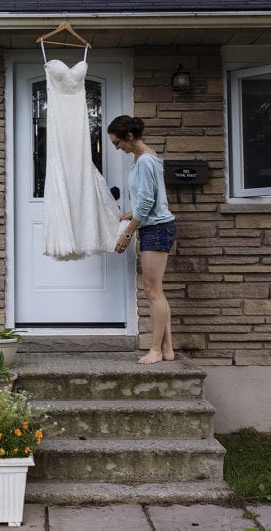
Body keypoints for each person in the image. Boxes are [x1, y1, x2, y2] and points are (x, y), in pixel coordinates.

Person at [107, 115, 177, 364]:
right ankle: (167, 349)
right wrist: (130, 214)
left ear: (129, 136)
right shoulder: (142, 158)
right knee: (156, 291)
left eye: (117, 143)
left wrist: (127, 233)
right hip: (153, 227)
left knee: (152, 291)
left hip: (157, 229)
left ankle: (155, 350)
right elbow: (148, 198)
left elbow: (147, 202)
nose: (117, 148)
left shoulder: (146, 160)